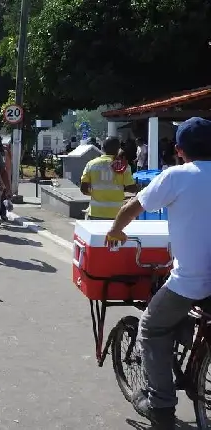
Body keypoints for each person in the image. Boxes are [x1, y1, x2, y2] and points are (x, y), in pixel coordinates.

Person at [105, 117, 211, 429]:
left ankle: (161, 405)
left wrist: (114, 231)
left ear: (179, 150)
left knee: (151, 328)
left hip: (193, 282)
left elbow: (133, 206)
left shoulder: (176, 176)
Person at [79, 137, 138, 220]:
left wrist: (97, 195)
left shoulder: (91, 164)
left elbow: (83, 189)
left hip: (96, 212)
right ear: (119, 149)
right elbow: (131, 188)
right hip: (117, 214)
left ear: (102, 148)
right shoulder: (124, 166)